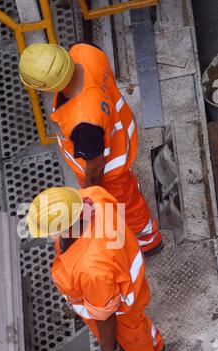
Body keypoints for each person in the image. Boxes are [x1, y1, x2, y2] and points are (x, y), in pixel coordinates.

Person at [26, 185, 172, 351]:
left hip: (119, 313)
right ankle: (155, 345)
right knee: (139, 326)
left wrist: (109, 349)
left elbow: (105, 315)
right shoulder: (94, 196)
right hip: (129, 289)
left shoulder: (91, 269)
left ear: (65, 227)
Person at [20, 42, 163, 256]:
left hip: (110, 169)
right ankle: (129, 190)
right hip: (119, 134)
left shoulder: (83, 122)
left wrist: (88, 195)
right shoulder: (83, 51)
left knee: (125, 205)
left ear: (45, 86)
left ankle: (148, 240)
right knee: (125, 192)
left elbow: (96, 168)